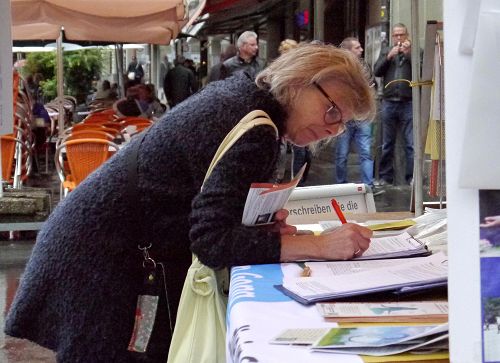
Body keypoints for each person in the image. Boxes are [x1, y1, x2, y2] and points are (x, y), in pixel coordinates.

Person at [5, 43, 375, 362]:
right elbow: (213, 242)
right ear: (298, 80)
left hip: (96, 246)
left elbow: (206, 209)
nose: (332, 129)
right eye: (331, 112)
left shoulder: (246, 104)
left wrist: (259, 230)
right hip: (101, 259)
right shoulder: (255, 126)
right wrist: (318, 245)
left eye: (343, 124)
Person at [374, 23, 414, 186]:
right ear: (392, 37)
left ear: (407, 35)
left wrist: (409, 55)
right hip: (389, 102)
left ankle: (412, 178)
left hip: (408, 102)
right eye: (396, 35)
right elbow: (376, 71)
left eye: (401, 35)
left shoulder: (415, 51)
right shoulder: (386, 51)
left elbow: (422, 70)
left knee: (411, 144)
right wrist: (388, 56)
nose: (399, 38)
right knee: (386, 143)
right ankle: (385, 177)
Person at [335, 37, 375, 188]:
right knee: (342, 154)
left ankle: (368, 185)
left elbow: (372, 85)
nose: (361, 50)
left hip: (362, 114)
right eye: (357, 48)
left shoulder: (364, 66)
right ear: (348, 51)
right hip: (345, 115)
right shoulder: (339, 68)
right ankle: (340, 185)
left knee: (366, 152)